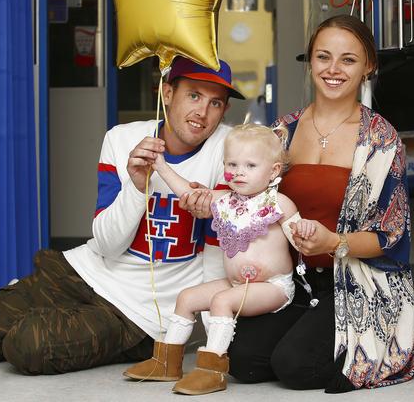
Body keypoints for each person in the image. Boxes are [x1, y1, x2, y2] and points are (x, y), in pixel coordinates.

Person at [0, 57, 245, 375]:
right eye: (193, 95)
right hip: (81, 272)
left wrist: (211, 337)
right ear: (167, 93)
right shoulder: (122, 139)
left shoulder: (229, 149)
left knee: (27, 344)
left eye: (215, 103)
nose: (202, 113)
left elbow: (225, 241)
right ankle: (55, 312)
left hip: (133, 312)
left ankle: (66, 325)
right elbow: (108, 245)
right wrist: (137, 186)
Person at [227, 15, 414, 392]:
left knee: (295, 367)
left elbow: (391, 238)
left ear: (368, 66)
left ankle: (388, 343)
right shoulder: (282, 131)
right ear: (311, 61)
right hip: (295, 281)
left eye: (348, 59)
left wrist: (333, 242)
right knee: (243, 359)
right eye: (323, 57)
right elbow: (249, 199)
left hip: (356, 280)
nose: (333, 69)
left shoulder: (381, 140)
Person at [123, 123, 315, 395]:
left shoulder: (279, 203)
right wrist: (162, 166)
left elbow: (300, 242)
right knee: (187, 298)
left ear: (273, 171)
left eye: (250, 166)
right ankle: (166, 362)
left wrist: (305, 230)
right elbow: (189, 194)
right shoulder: (225, 199)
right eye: (232, 164)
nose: (238, 172)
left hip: (274, 287)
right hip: (237, 283)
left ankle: (211, 369)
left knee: (221, 301)